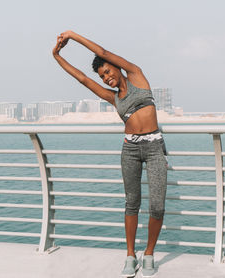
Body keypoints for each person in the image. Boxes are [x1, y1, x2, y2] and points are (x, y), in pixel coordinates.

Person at [53, 30, 168, 278]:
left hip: (155, 147)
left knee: (157, 206)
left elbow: (102, 53)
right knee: (132, 203)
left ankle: (149, 253)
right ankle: (130, 255)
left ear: (116, 67)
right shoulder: (113, 98)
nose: (106, 78)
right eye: (102, 76)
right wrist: (56, 56)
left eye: (107, 72)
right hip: (130, 150)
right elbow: (82, 79)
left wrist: (72, 35)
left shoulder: (137, 76)